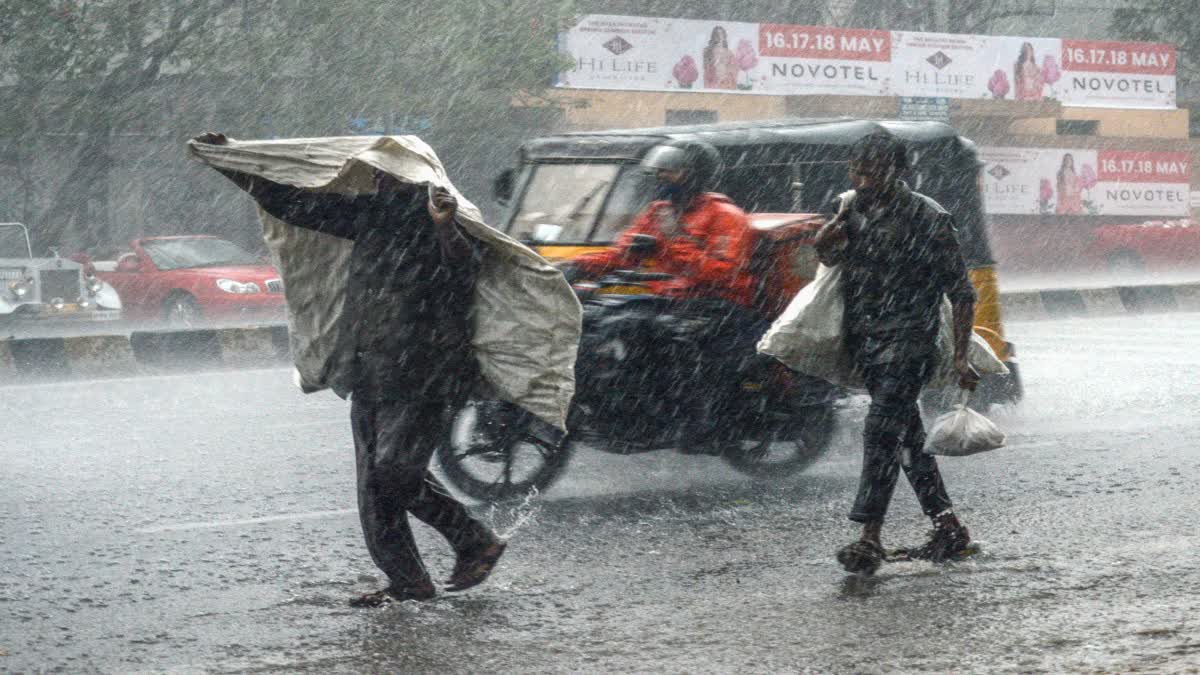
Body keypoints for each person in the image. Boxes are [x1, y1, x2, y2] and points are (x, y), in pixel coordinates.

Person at [193, 131, 507, 608]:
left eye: (387, 172)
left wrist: (443, 227)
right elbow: (294, 204)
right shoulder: (371, 214)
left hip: (426, 368)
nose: (378, 179)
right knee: (374, 484)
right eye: (376, 171)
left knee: (393, 472)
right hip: (370, 364)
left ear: (411, 176)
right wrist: (232, 164)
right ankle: (408, 581)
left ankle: (472, 541)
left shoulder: (446, 213)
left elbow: (467, 269)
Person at [813, 132, 980, 574]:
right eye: (856, 170)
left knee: (880, 432)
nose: (863, 179)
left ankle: (869, 537)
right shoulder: (848, 209)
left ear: (899, 171)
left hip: (909, 342)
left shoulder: (929, 217)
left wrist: (961, 356)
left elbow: (962, 292)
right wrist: (825, 241)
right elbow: (829, 263)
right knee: (907, 440)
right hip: (865, 340)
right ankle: (948, 526)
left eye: (873, 171)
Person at [567, 139, 763, 449]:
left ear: (695, 175)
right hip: (673, 299)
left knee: (671, 344)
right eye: (660, 171)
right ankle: (627, 405)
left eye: (671, 172)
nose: (661, 178)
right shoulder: (658, 212)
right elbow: (623, 252)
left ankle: (701, 423)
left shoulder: (726, 215)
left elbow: (722, 271)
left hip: (720, 304)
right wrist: (578, 267)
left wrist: (667, 247)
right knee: (606, 324)